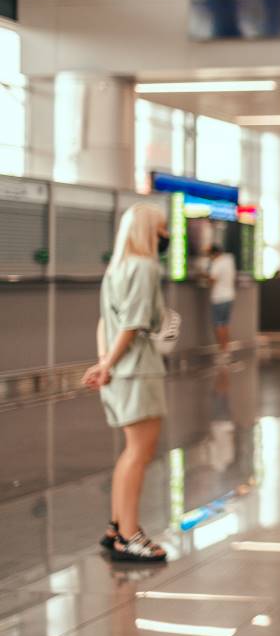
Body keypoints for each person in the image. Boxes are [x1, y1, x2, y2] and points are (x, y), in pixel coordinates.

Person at [82, 203, 170, 562]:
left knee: (130, 451)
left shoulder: (116, 268)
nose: (165, 235)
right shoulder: (146, 267)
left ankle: (117, 526)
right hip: (138, 369)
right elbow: (133, 325)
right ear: (149, 232)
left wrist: (105, 363)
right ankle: (130, 535)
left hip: (120, 372)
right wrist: (108, 364)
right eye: (162, 229)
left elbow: (106, 323)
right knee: (139, 453)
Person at [207, 241, 236, 355]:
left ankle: (221, 350)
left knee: (219, 324)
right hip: (229, 296)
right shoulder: (229, 261)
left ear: (214, 254)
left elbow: (212, 279)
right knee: (225, 324)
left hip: (219, 298)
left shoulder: (217, 263)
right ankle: (226, 350)